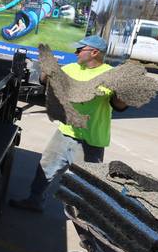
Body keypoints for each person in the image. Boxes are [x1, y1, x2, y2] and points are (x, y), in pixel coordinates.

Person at [9, 35, 128, 212]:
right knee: (45, 168)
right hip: (65, 132)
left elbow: (120, 106)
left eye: (80, 50)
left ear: (94, 52)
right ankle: (34, 201)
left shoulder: (111, 75)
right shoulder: (72, 68)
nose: (75, 53)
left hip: (90, 140)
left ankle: (86, 225)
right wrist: (46, 70)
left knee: (84, 185)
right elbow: (46, 82)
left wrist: (122, 93)